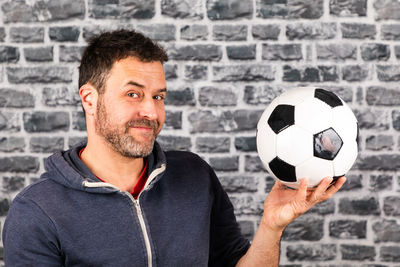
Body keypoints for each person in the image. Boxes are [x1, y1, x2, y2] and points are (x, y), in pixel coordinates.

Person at [2, 29, 346, 266]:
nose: (151, 112)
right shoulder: (36, 212)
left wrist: (272, 226)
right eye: (133, 94)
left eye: (159, 96)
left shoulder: (194, 175)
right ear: (90, 100)